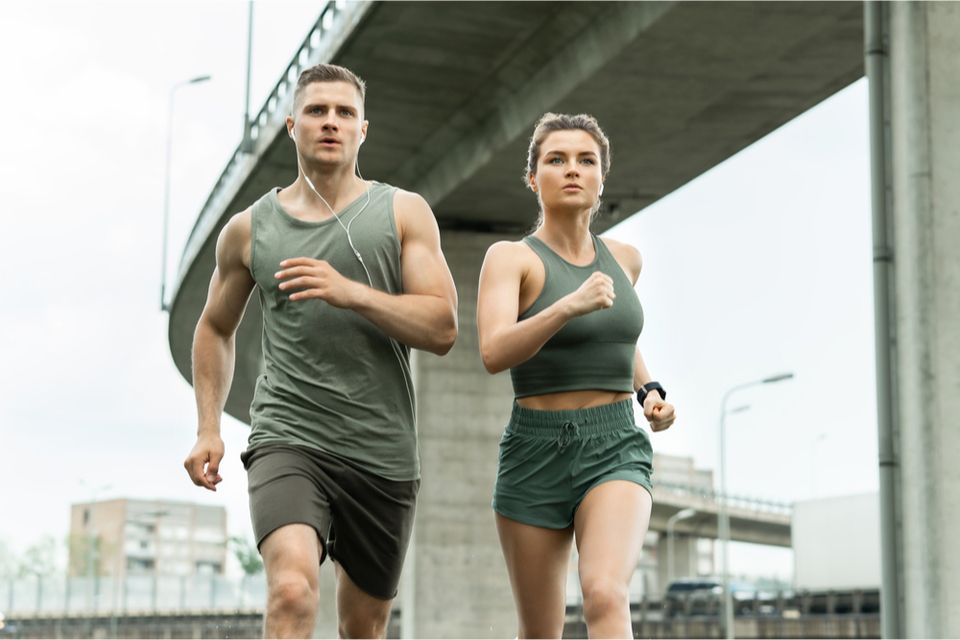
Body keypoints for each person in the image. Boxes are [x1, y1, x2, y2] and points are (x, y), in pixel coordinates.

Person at [183, 63, 458, 639]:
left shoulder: (403, 213)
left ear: (364, 130)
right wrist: (210, 425)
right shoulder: (249, 229)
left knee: (363, 627)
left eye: (344, 113)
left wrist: (352, 293)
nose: (330, 122)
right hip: (288, 435)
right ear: (291, 126)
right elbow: (213, 327)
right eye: (316, 111)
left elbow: (441, 327)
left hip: (381, 449)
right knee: (290, 590)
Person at [477, 112, 676, 638]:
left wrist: (649, 391)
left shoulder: (625, 259)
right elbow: (495, 351)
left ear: (601, 177)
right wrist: (566, 307)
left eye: (586, 161)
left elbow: (618, 339)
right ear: (532, 177)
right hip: (533, 451)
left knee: (606, 594)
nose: (572, 170)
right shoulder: (510, 259)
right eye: (556, 159)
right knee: (541, 631)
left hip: (614, 446)